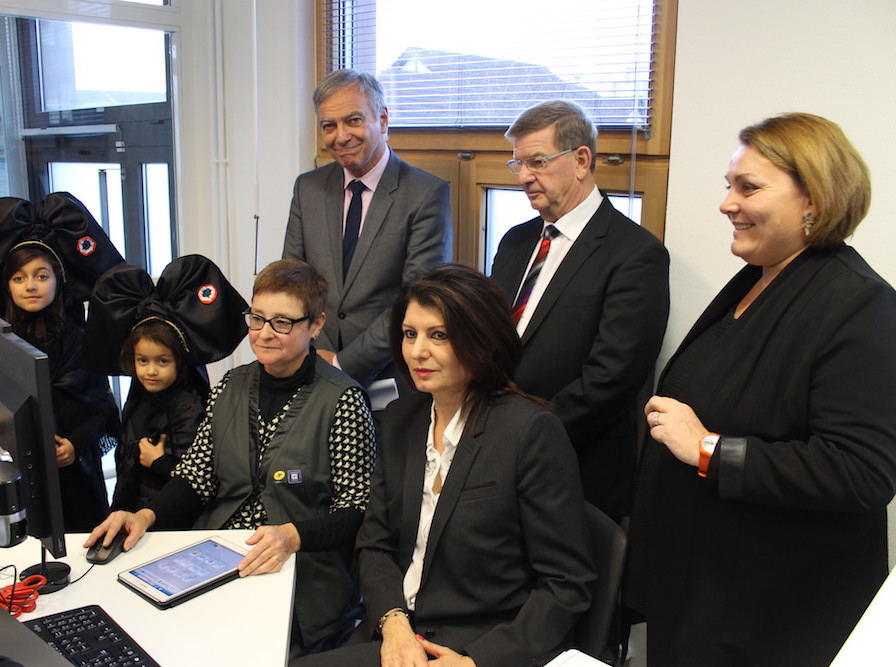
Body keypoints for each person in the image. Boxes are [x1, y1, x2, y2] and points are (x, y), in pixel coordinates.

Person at [628, 113, 896, 666]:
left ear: (814, 199)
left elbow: (861, 472)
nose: (727, 204)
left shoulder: (858, 303)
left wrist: (708, 449)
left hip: (771, 614)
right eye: (729, 185)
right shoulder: (759, 277)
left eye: (748, 188)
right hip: (702, 588)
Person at [295, 264, 596, 667]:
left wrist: (475, 661)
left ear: (483, 341)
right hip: (397, 632)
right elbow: (375, 542)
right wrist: (393, 623)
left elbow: (566, 584)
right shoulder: (402, 418)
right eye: (409, 334)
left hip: (480, 646)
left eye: (439, 335)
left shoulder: (530, 431)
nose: (417, 351)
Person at [85, 259, 376, 656]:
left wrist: (293, 536)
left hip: (302, 568)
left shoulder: (343, 401)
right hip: (219, 552)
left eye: (282, 322)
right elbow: (196, 476)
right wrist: (145, 516)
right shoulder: (231, 386)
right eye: (257, 318)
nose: (265, 333)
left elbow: (356, 510)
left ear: (316, 325)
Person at [490, 100, 670, 521]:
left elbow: (611, 378)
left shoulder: (635, 254)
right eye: (518, 164)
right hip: (495, 453)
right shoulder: (515, 241)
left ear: (582, 160)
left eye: (537, 161)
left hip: (576, 465)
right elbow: (491, 336)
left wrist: (525, 435)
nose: (525, 177)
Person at [0, 193, 125, 531]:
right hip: (18, 474)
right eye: (19, 278)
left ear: (58, 280)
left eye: (42, 276)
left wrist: (74, 444)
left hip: (76, 476)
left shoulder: (81, 340)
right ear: (7, 285)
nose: (31, 286)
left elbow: (103, 410)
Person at [283, 68, 453, 404]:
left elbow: (415, 300)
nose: (341, 136)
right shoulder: (308, 188)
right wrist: (313, 355)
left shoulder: (425, 194)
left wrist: (343, 364)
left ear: (383, 120)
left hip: (388, 380)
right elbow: (292, 282)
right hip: (311, 368)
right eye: (328, 126)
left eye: (353, 121)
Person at [83, 255, 248, 511]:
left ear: (179, 361)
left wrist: (158, 462)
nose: (151, 371)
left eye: (162, 361)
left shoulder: (189, 406)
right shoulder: (139, 395)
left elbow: (199, 479)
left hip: (171, 514)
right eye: (142, 360)